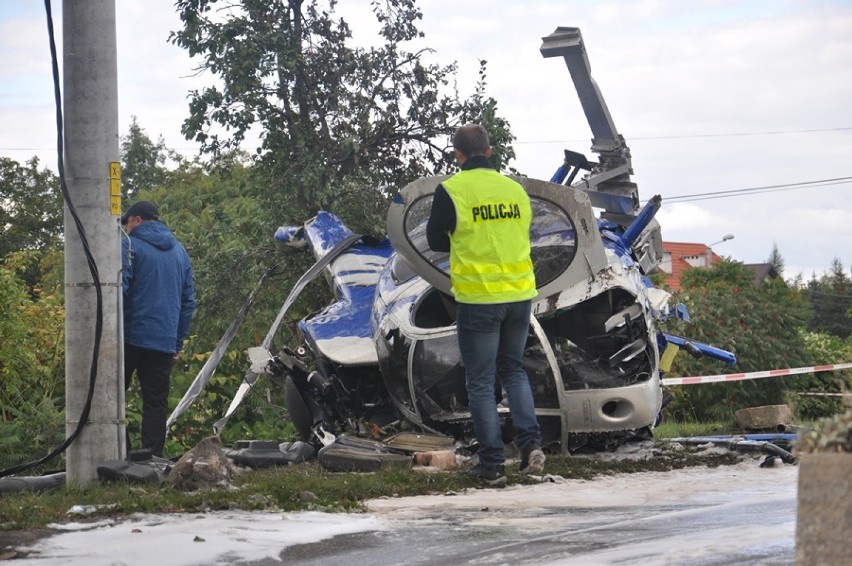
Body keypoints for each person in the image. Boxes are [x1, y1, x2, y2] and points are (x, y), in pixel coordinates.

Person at [426, 124, 545, 485]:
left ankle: (492, 464)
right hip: (520, 295)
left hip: (479, 299)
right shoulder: (516, 191)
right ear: (489, 151)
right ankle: (531, 448)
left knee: (480, 382)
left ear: (458, 155)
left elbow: (434, 240)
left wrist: (464, 240)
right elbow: (521, 234)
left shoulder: (451, 190)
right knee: (514, 371)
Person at [121, 200, 195, 458]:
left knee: (113, 398)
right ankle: (152, 459)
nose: (125, 229)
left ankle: (124, 457)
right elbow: (188, 302)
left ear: (136, 220)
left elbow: (119, 290)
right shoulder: (180, 252)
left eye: (126, 223)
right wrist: (177, 341)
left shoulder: (129, 245)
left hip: (129, 338)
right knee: (155, 403)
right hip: (163, 341)